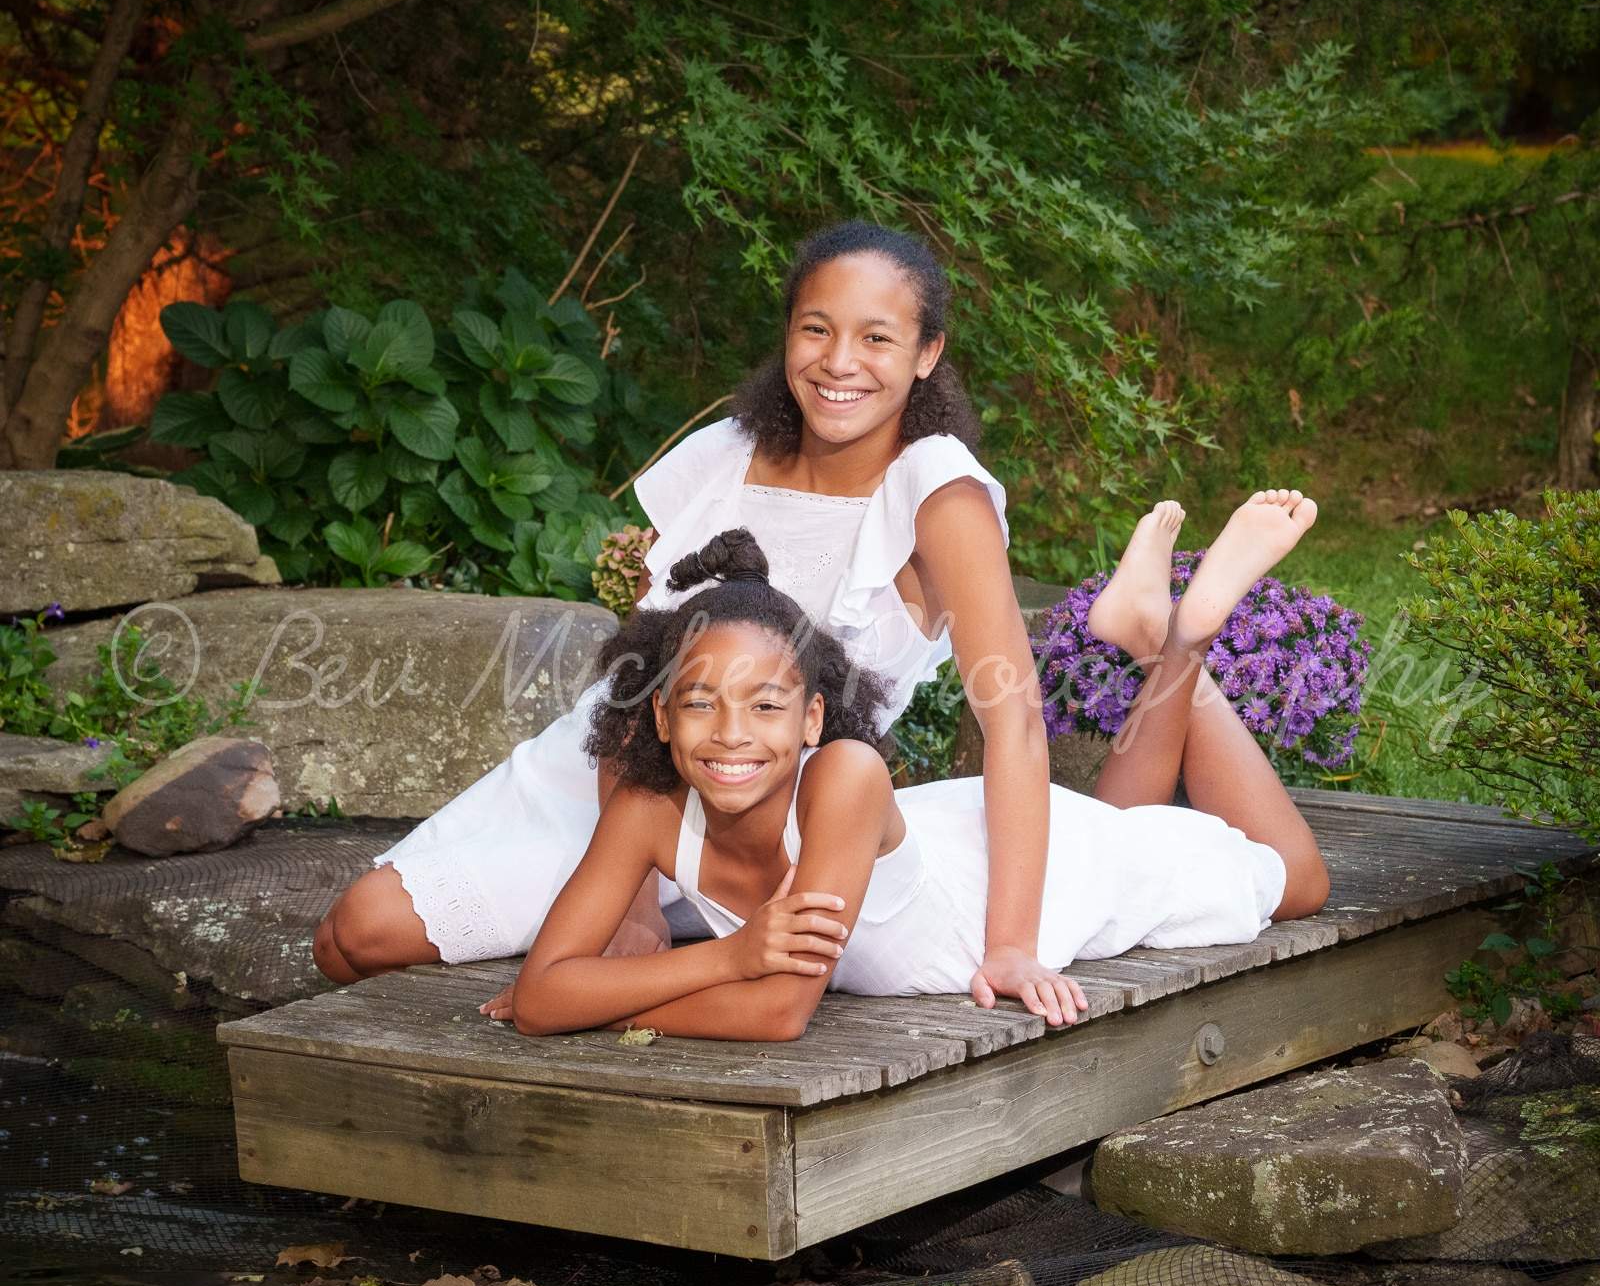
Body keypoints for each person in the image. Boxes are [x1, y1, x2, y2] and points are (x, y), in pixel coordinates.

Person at [313, 218, 1081, 1023]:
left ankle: (622, 954)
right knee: (344, 939)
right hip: (618, 778)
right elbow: (636, 680)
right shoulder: (726, 455)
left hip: (748, 817)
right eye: (816, 329)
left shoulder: (937, 493)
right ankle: (598, 940)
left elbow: (1014, 721)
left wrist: (1011, 944)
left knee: (377, 934)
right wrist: (634, 902)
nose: (839, 362)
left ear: (927, 353)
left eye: (877, 338)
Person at [497, 519, 1328, 1040]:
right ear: (662, 716)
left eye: (765, 706)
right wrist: (722, 963)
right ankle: (1145, 627)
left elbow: (777, 1011)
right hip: (958, 837)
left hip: (997, 889)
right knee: (1122, 824)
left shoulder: (846, 772)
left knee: (1295, 883)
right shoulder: (648, 806)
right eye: (699, 703)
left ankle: (1183, 638)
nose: (731, 734)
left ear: (813, 720)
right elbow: (540, 997)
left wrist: (612, 999)